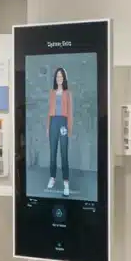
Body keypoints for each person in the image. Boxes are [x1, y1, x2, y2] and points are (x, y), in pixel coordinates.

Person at [46, 67, 74, 197]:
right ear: (55, 78)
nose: (59, 78)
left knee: (64, 154)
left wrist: (69, 128)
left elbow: (70, 113)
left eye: (61, 76)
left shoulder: (67, 93)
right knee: (52, 154)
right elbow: (49, 112)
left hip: (63, 122)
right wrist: (48, 127)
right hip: (53, 123)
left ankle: (66, 183)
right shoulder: (52, 92)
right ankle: (52, 177)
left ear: (64, 78)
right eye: (57, 76)